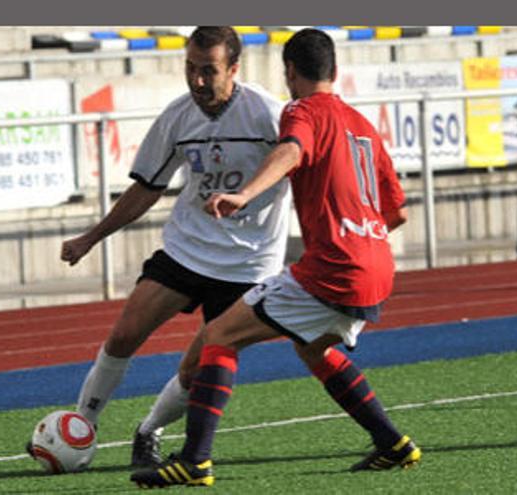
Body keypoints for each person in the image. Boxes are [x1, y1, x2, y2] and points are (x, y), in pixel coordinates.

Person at [131, 28, 418, 489]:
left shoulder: (301, 111)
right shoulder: (362, 124)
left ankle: (194, 460)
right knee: (312, 346)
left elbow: (292, 149)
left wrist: (243, 193)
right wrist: (362, 242)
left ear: (289, 72)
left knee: (219, 334)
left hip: (335, 268)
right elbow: (396, 211)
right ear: (335, 71)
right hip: (378, 265)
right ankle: (392, 443)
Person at [26, 26, 291, 469]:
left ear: (234, 69)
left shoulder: (267, 115)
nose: (198, 81)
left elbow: (300, 160)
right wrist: (91, 238)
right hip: (188, 248)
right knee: (125, 334)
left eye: (209, 71)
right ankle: (81, 429)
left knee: (198, 368)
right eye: (191, 68)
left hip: (248, 262)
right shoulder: (178, 116)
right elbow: (147, 187)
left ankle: (148, 431)